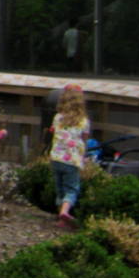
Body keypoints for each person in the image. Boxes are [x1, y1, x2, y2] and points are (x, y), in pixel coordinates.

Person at [48, 84, 90, 229]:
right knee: (71, 189)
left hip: (56, 158)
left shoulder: (58, 117)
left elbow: (53, 132)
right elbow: (85, 139)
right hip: (72, 160)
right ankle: (65, 212)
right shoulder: (83, 121)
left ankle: (60, 216)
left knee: (59, 187)